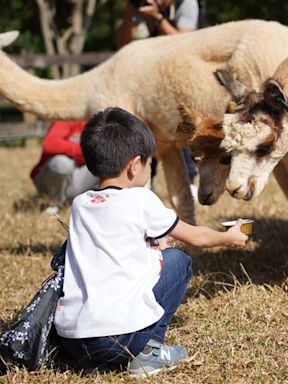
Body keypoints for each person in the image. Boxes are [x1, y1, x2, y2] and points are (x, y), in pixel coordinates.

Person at [53, 107, 248, 376]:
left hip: (73, 340)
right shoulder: (141, 199)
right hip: (119, 339)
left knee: (162, 256)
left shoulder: (80, 204)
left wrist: (153, 246)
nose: (149, 168)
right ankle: (149, 352)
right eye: (149, 163)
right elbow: (198, 238)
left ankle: (94, 362)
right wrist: (229, 237)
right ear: (135, 165)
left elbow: (108, 249)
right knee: (178, 261)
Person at [116, 0, 201, 199]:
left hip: (181, 83)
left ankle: (189, 182)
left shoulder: (186, 4)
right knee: (143, 134)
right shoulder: (138, 7)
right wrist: (130, 15)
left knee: (184, 132)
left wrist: (158, 18)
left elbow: (185, 43)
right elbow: (122, 42)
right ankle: (145, 182)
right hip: (146, 84)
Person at [30, 120, 98, 213]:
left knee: (106, 162)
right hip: (50, 180)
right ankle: (53, 203)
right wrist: (82, 152)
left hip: (77, 180)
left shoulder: (101, 122)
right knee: (62, 163)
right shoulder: (67, 118)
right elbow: (50, 144)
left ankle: (100, 203)